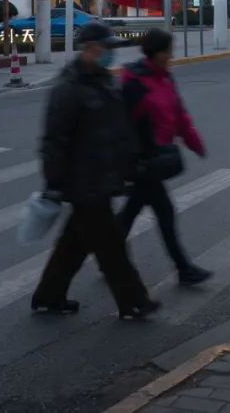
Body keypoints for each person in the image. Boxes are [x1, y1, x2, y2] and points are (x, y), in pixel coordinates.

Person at [31, 22, 158, 320]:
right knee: (111, 247)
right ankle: (134, 301)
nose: (110, 54)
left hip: (100, 176)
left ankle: (49, 296)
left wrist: (128, 165)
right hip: (83, 181)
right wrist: (54, 182)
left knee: (73, 243)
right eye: (105, 48)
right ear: (90, 49)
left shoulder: (102, 82)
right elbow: (54, 140)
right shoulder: (68, 89)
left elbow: (115, 130)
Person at [118, 29, 212, 285]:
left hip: (156, 158)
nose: (172, 55)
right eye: (168, 50)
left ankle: (109, 257)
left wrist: (194, 142)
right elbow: (120, 125)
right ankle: (183, 269)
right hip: (143, 161)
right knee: (165, 214)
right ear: (157, 52)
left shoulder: (164, 78)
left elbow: (178, 114)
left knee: (129, 214)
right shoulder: (134, 82)